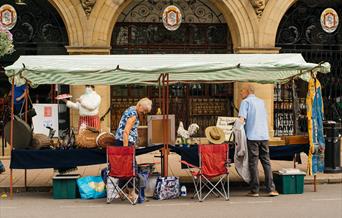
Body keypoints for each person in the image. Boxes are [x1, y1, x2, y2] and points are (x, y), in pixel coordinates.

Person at [238, 84, 279, 197]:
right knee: (266, 162)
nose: (240, 93)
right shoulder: (261, 102)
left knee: (253, 163)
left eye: (241, 90)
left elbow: (241, 120)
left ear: (247, 91)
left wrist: (234, 129)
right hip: (264, 136)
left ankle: (255, 190)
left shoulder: (245, 102)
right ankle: (271, 189)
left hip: (252, 136)